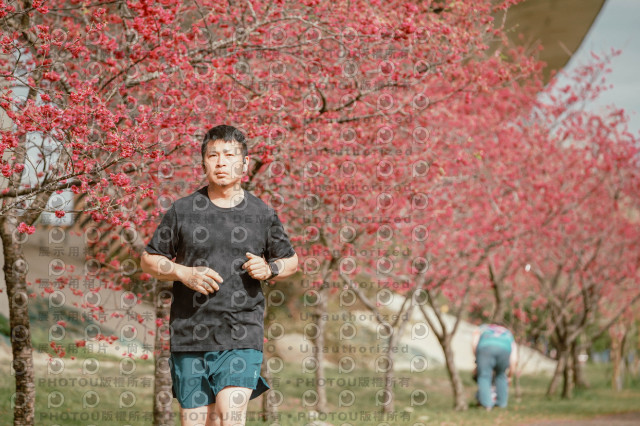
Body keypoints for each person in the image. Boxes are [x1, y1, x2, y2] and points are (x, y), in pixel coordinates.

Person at [141, 125, 298, 426]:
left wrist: (270, 269)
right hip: (190, 335)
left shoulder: (262, 214)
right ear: (204, 162)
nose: (221, 162)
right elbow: (149, 259)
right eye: (213, 156)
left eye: (229, 155)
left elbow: (290, 260)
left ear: (245, 163)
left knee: (230, 415)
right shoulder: (183, 210)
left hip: (241, 332)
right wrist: (182, 272)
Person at [471, 323, 518, 410]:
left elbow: (474, 342)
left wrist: (477, 359)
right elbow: (514, 359)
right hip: (505, 350)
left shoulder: (483, 328)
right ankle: (502, 404)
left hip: (485, 347)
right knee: (501, 375)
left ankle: (487, 405)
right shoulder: (508, 333)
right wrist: (510, 376)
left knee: (484, 376)